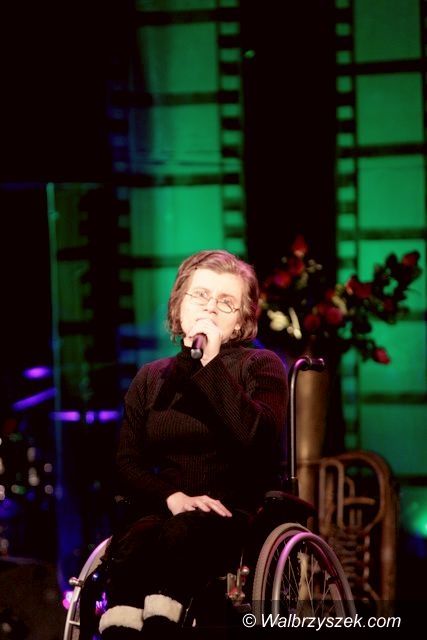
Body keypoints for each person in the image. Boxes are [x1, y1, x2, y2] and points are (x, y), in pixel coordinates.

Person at [98, 249, 288, 638]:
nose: (210, 307)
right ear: (180, 304)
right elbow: (126, 465)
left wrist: (211, 365)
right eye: (201, 295)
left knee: (180, 534)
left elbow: (257, 440)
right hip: (164, 510)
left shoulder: (260, 365)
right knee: (134, 541)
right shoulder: (151, 377)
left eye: (226, 302)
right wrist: (172, 497)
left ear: (240, 321)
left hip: (228, 513)